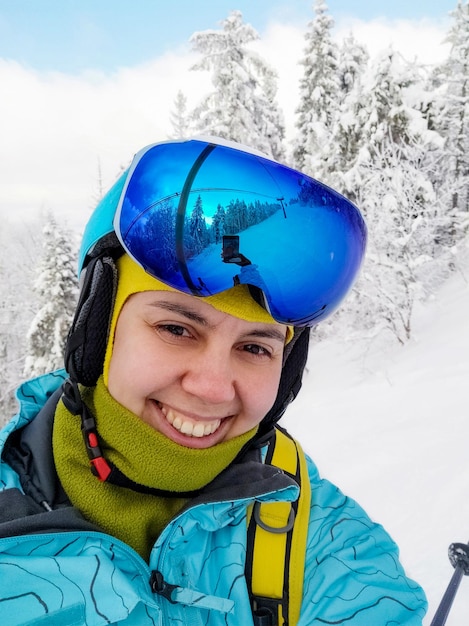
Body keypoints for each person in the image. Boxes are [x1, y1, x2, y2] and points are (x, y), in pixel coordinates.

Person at [0, 137, 427, 625]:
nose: (213, 387)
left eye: (254, 348)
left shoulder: (324, 542)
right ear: (98, 332)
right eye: (176, 329)